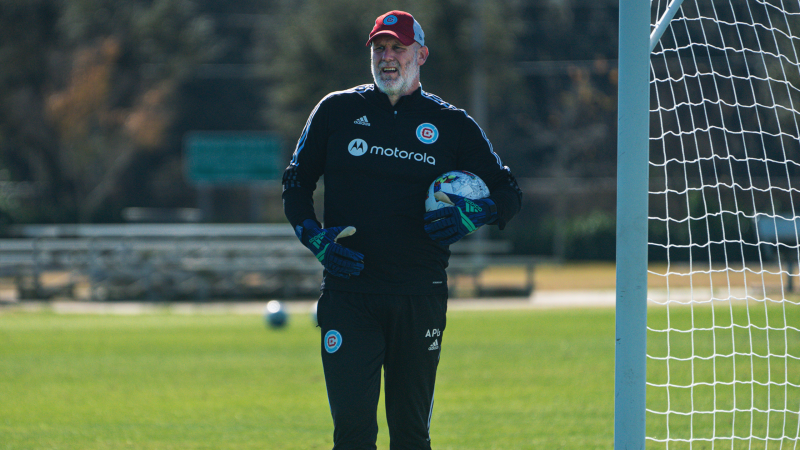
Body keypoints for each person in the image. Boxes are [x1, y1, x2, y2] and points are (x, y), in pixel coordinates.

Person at [282, 10, 522, 449]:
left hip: (419, 296)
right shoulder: (336, 110)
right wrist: (314, 239)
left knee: (411, 436)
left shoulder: (452, 124)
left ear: (421, 55)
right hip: (349, 294)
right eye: (379, 47)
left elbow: (508, 191)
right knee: (353, 435)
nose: (387, 57)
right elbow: (296, 184)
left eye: (398, 47)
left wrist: (475, 214)